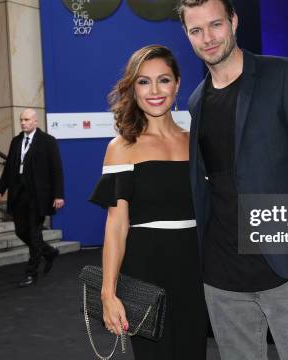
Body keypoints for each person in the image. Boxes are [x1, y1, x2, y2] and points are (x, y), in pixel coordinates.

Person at [177, 0, 288, 359]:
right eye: (196, 30)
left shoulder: (284, 76)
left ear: (233, 21)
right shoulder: (196, 100)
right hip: (221, 274)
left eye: (215, 25)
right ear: (187, 35)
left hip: (284, 266)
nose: (208, 38)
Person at [89, 45, 207, 359]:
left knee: (193, 351)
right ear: (133, 88)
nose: (154, 91)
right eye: (144, 82)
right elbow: (116, 226)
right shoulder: (122, 147)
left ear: (178, 83)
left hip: (194, 268)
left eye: (163, 80)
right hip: (145, 269)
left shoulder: (195, 143)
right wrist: (108, 292)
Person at [0, 108, 64, 288]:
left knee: (34, 234)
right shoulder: (16, 141)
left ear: (35, 121)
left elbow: (56, 170)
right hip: (18, 195)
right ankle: (49, 252)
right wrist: (0, 190)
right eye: (21, 120)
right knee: (20, 231)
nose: (23, 123)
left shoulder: (48, 142)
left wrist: (58, 195)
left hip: (39, 196)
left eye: (26, 120)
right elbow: (9, 168)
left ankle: (31, 273)